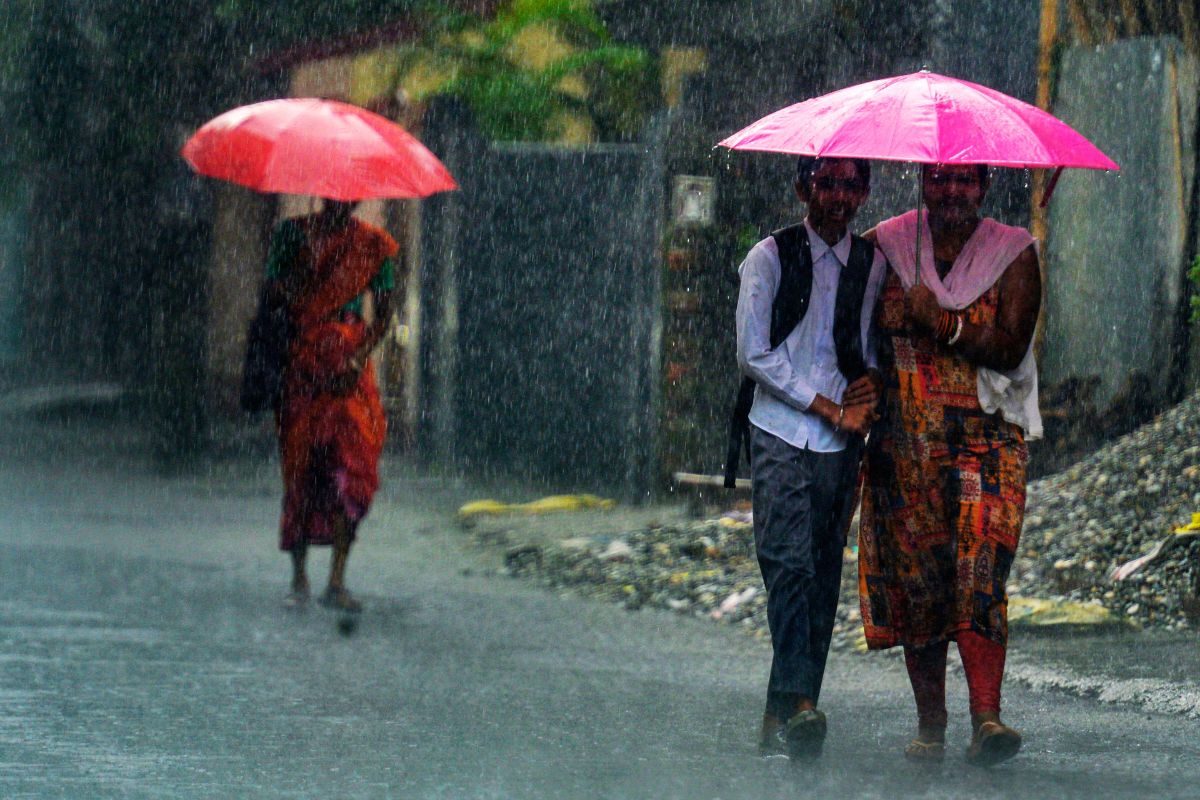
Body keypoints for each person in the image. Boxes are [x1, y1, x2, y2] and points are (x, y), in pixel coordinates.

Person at [858, 163, 1042, 766]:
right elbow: (843, 324)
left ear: (985, 184)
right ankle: (931, 723)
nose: (952, 191)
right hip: (904, 446)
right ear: (922, 182)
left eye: (965, 180)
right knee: (921, 582)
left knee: (980, 570)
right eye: (939, 178)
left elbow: (1011, 345)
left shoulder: (1013, 252)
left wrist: (943, 323)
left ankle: (986, 717)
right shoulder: (886, 246)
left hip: (987, 441)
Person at [735, 157, 887, 759]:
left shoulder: (871, 265)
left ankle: (788, 711)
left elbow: (868, 346)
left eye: (852, 185)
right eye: (827, 183)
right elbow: (752, 354)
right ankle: (800, 702)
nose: (839, 198)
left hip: (838, 445)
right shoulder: (768, 258)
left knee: (822, 575)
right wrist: (823, 404)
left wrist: (869, 386)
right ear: (804, 188)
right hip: (778, 429)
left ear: (865, 192)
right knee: (785, 562)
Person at [263, 199, 399, 612]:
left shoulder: (374, 245)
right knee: (301, 471)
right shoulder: (293, 234)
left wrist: (357, 359)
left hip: (349, 373)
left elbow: (386, 308)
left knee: (351, 472)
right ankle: (299, 578)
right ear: (321, 191)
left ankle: (337, 579)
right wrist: (303, 284)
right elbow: (273, 291)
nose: (340, 199)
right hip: (303, 367)